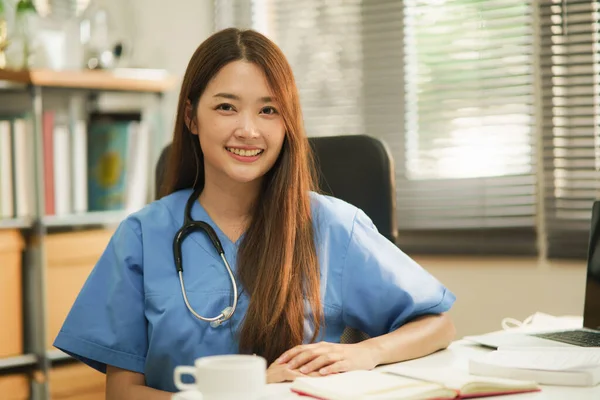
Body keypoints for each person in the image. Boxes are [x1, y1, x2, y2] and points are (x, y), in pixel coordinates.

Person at [53, 28, 456, 399]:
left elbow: (438, 325)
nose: (248, 130)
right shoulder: (142, 236)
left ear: (287, 123)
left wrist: (368, 352)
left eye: (268, 110)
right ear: (192, 117)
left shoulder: (333, 226)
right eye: (227, 107)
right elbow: (122, 393)